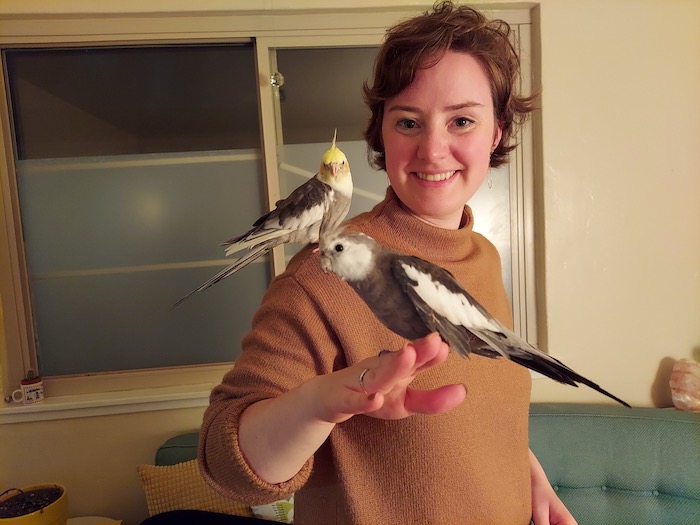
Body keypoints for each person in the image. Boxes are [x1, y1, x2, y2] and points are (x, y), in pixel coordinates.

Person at [199, 2, 576, 524]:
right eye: (408, 121)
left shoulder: (480, 254)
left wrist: (524, 474)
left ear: (496, 131)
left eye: (462, 119)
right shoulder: (326, 273)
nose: (433, 149)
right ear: (382, 133)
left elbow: (477, 414)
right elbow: (224, 462)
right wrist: (322, 402)